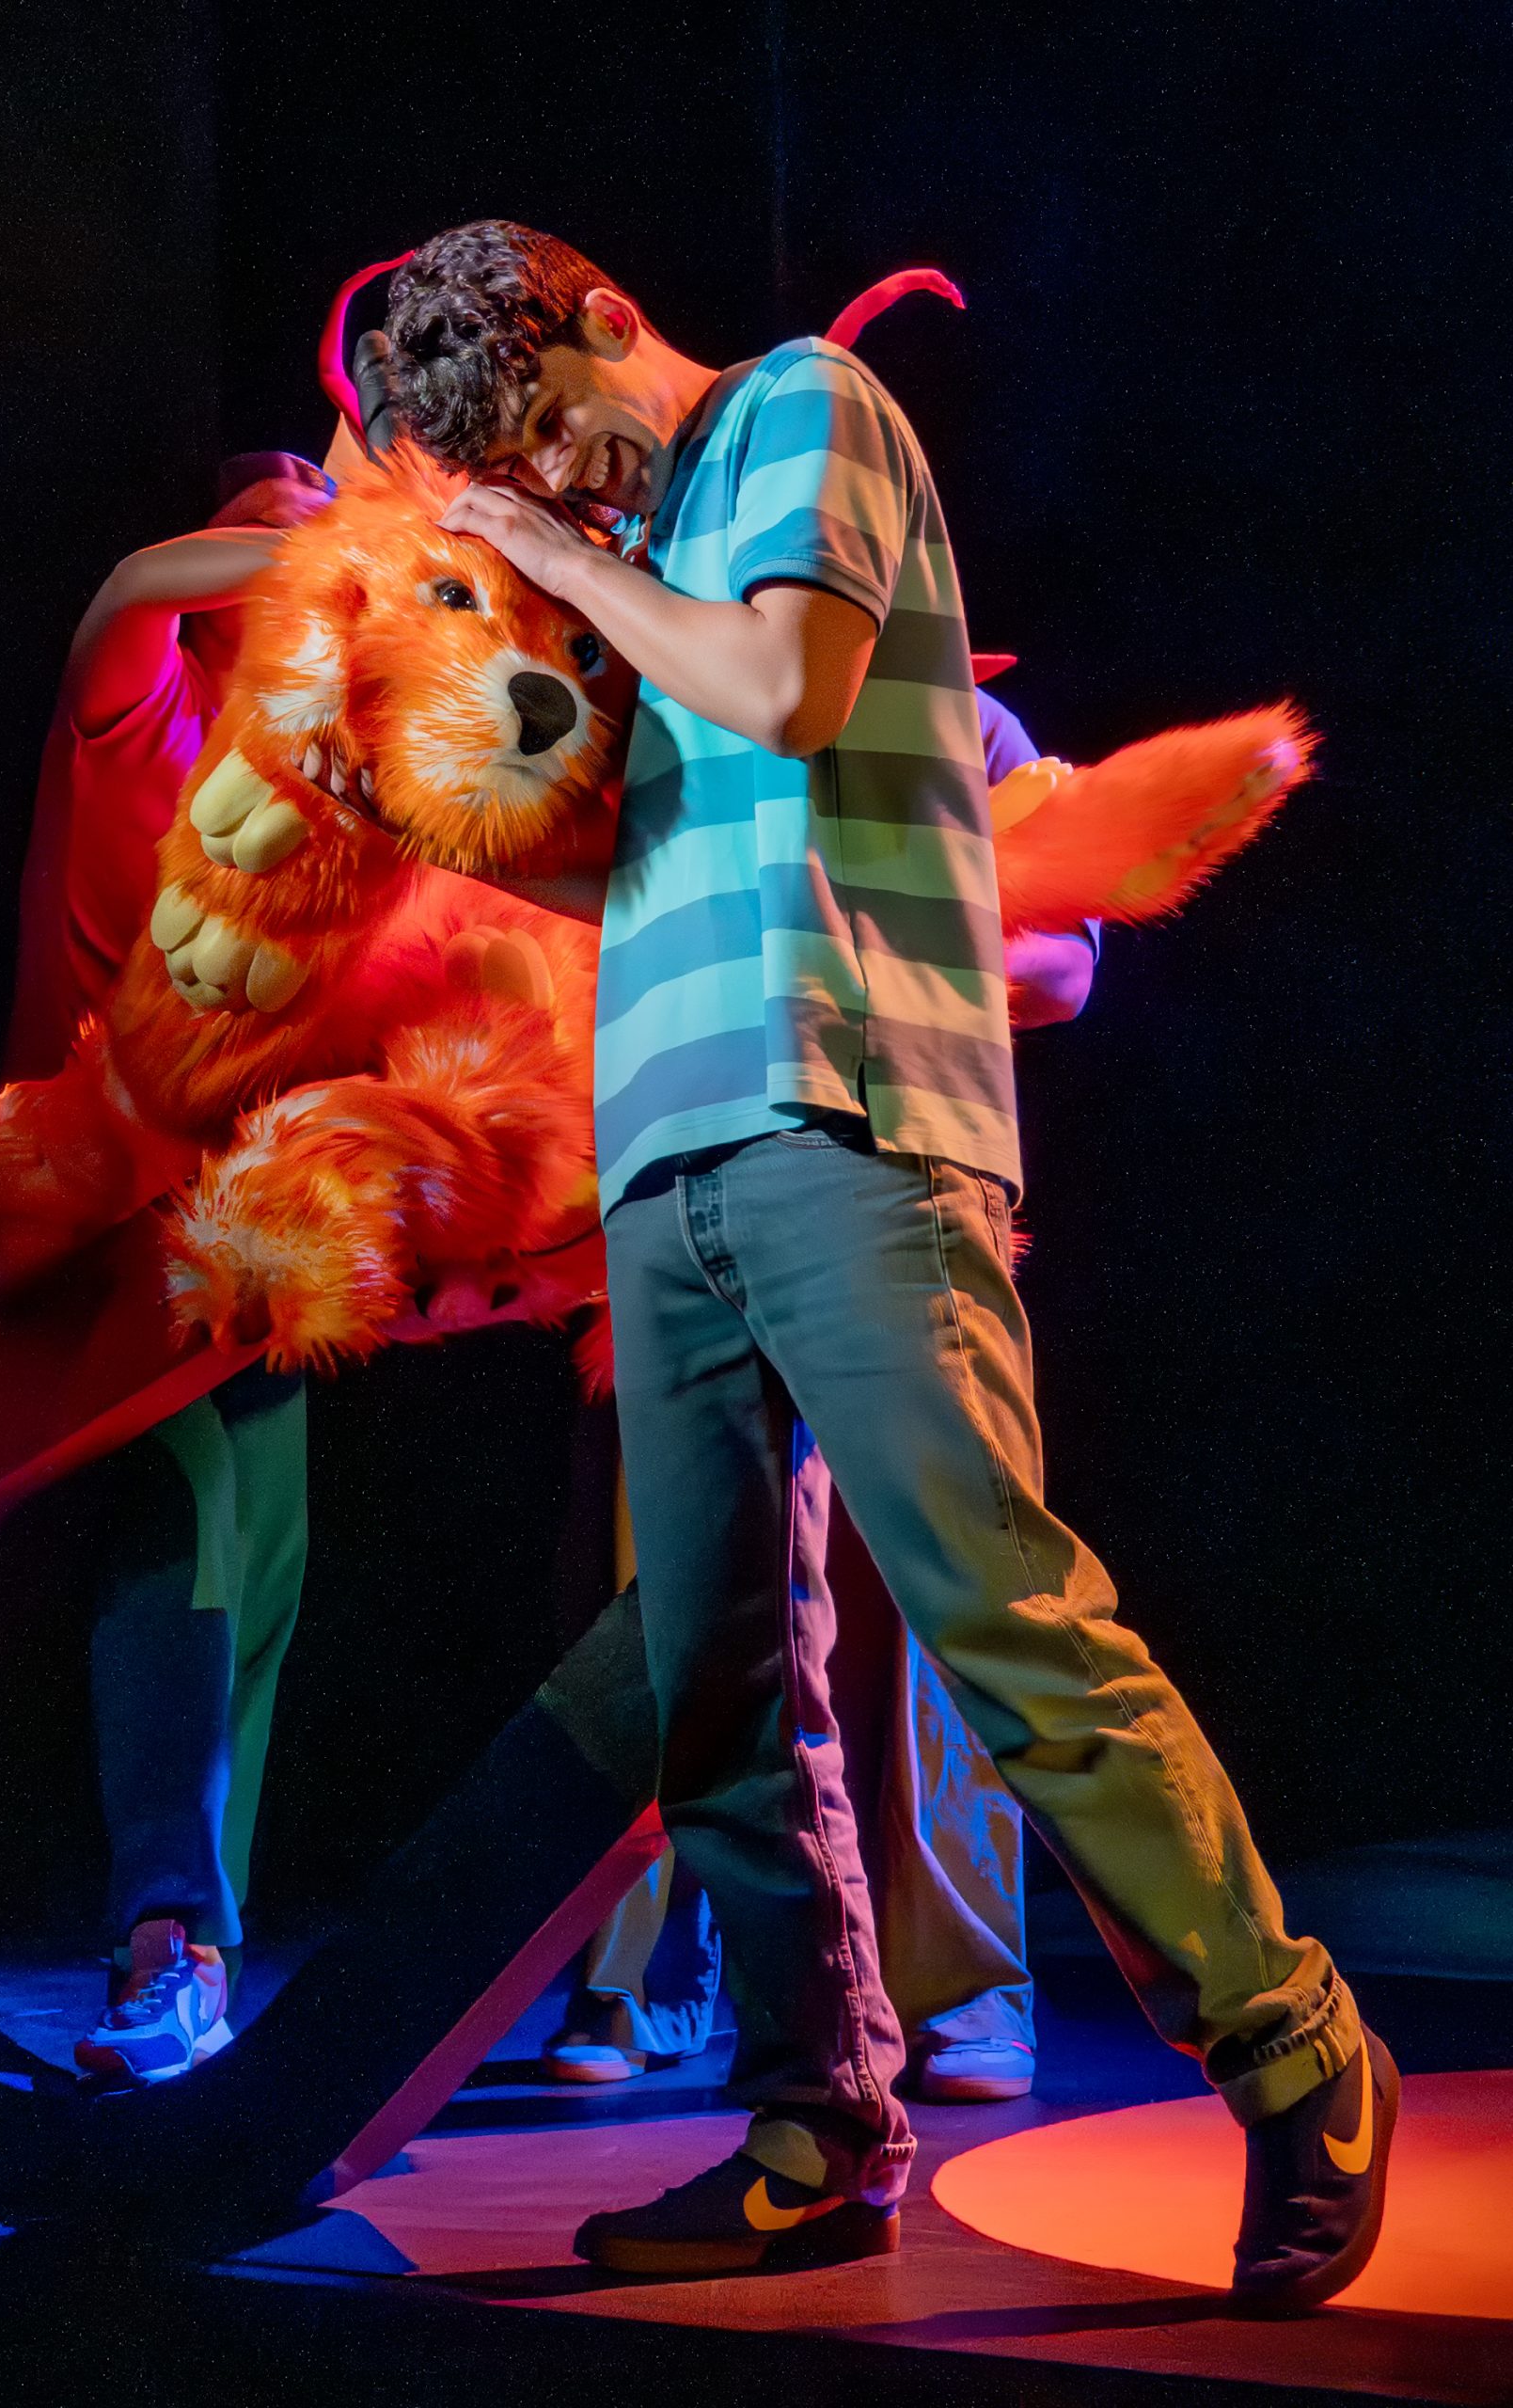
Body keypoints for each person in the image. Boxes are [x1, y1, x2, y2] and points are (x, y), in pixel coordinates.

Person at [385, 220, 1392, 2306]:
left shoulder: (798, 413)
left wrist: (566, 565)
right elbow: (662, 818)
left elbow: (785, 683)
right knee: (720, 1682)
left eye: (550, 443)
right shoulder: (658, 553)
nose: (560, 493)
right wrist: (446, 813)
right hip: (669, 1144)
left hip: (849, 1114)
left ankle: (1294, 2042)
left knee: (995, 1607)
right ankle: (813, 2117)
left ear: (595, 321)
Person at [544, 688, 1092, 2103]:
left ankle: (960, 1984)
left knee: (923, 1592)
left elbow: (1062, 967)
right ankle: (657, 1973)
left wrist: (835, 950)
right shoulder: (675, 712)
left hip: (893, 1193)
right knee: (680, 1595)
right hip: (695, 1195)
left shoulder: (968, 726)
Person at [5, 450, 335, 2084]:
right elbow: (131, 592)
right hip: (114, 1220)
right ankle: (159, 1941)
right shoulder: (144, 707)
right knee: (185, 1539)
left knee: (261, 1575)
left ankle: (203, 1950)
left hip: (254, 1234)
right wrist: (269, 542)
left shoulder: (302, 778)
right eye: (264, 508)